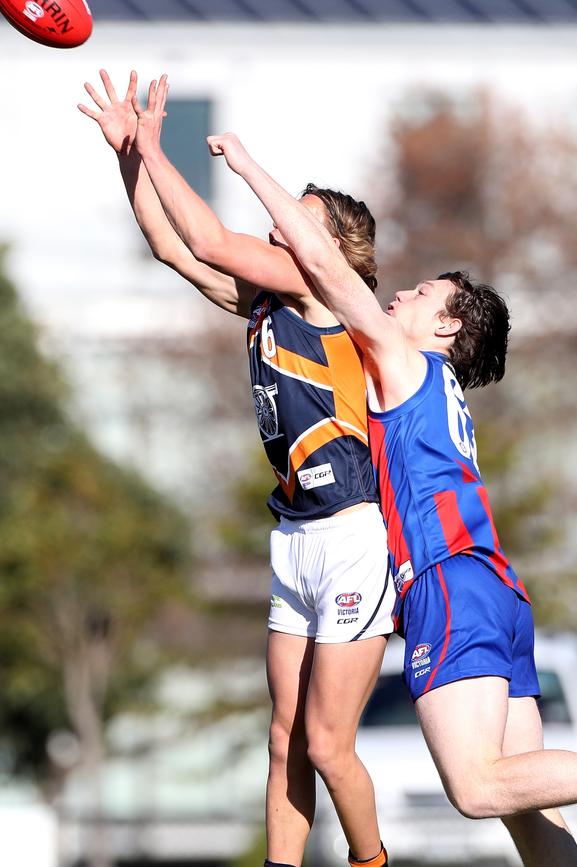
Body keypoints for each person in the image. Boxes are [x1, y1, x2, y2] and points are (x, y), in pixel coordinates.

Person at [206, 131, 577, 867]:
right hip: (499, 587)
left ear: (446, 328)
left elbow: (320, 263)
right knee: (530, 812)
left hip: (448, 581)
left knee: (476, 788)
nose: (401, 294)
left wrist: (251, 167)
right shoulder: (441, 392)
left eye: (423, 295)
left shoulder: (404, 358)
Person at [78, 71, 394, 867]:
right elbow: (172, 245)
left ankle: (370, 859)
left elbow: (215, 236)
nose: (282, 227)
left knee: (326, 743)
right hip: (293, 536)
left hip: (353, 535)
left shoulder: (330, 290)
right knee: (283, 735)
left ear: (335, 247)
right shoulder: (265, 301)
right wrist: (130, 158)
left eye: (301, 220)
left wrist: (158, 146)